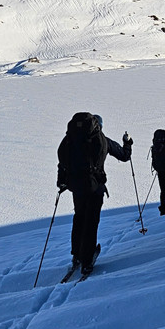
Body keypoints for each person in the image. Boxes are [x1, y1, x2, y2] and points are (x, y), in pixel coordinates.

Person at [57, 112, 131, 274]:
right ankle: (87, 260)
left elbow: (62, 160)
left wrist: (62, 181)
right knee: (91, 221)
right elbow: (124, 156)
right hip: (95, 187)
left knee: (79, 218)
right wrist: (127, 144)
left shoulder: (71, 139)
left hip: (76, 187)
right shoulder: (102, 140)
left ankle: (76, 255)